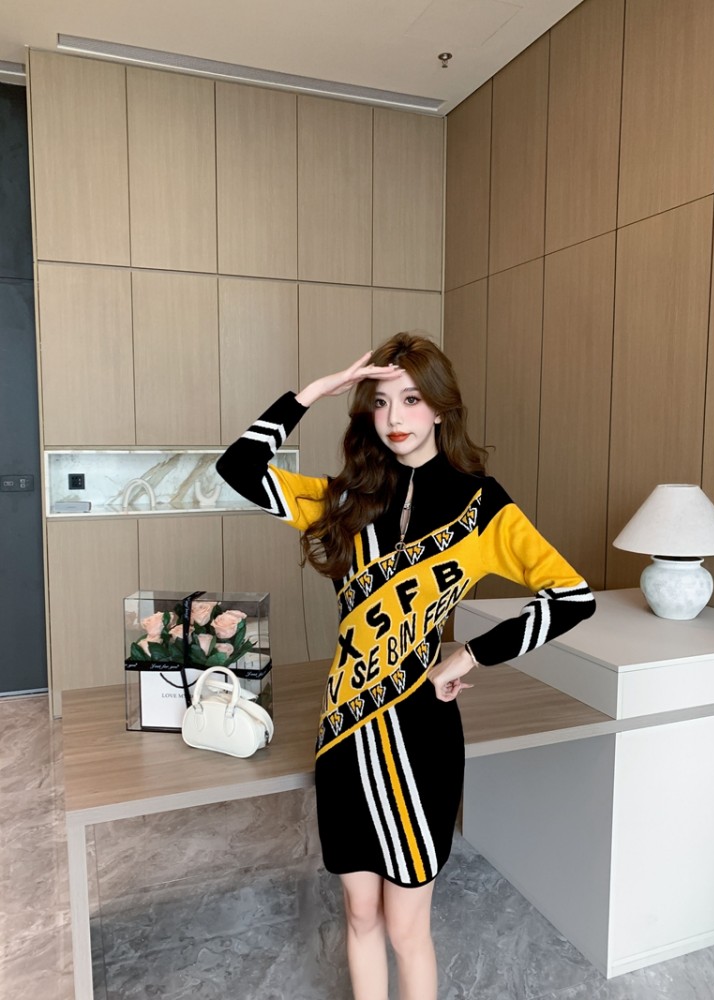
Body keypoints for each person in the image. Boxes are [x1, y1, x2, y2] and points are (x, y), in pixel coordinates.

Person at [216, 333, 595, 1000]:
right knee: (359, 912)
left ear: (441, 408)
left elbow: (571, 597)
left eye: (413, 400)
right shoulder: (345, 500)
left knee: (406, 926)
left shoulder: (480, 505)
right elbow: (238, 468)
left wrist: (470, 654)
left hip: (420, 737)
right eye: (381, 402)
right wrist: (315, 392)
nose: (395, 417)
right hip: (343, 734)